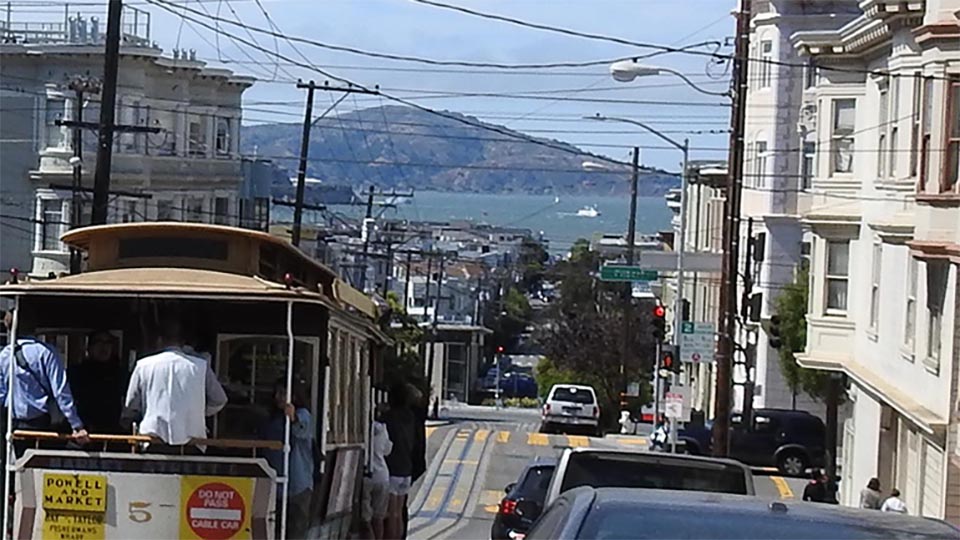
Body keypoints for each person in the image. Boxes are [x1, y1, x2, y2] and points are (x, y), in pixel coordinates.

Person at [122, 316, 227, 451]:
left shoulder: (143, 366)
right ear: (183, 343)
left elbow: (130, 406)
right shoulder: (201, 366)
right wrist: (199, 412)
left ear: (159, 340)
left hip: (153, 441)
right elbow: (220, 400)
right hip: (192, 443)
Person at [0, 309, 88, 456]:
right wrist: (76, 425)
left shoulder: (3, 356)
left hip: (13, 424)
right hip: (41, 424)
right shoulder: (46, 353)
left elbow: (1, 395)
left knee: (18, 469)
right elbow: (61, 392)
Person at [261, 380, 314, 539]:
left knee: (295, 531)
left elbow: (302, 430)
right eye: (277, 393)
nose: (278, 397)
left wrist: (293, 418)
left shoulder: (303, 414)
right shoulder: (272, 420)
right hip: (275, 484)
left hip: (297, 485)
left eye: (283, 393)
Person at [69, 330, 125, 434]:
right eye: (98, 342)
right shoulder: (77, 373)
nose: (103, 347)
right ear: (89, 348)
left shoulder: (120, 373)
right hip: (84, 432)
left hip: (113, 431)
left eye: (107, 343)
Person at [383, 383, 415, 540]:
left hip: (392, 469)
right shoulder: (410, 417)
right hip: (406, 469)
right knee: (399, 512)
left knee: (391, 512)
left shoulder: (389, 417)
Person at [361, 404, 392, 540]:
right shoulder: (383, 430)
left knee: (365, 519)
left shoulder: (361, 429)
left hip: (367, 475)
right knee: (379, 517)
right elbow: (387, 450)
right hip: (383, 476)